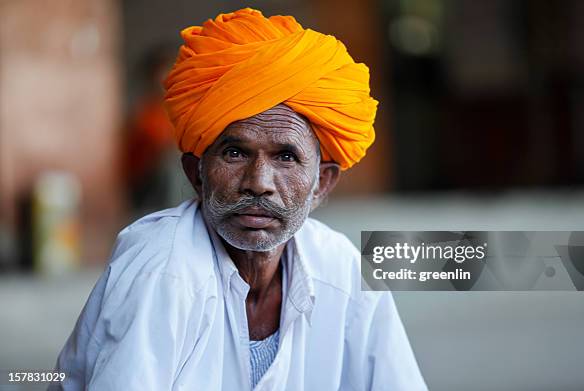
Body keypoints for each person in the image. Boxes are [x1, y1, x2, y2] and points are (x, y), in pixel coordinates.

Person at [51, 8, 428, 391]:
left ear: (322, 184)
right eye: (235, 153)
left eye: (286, 156)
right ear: (195, 173)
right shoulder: (163, 272)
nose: (259, 183)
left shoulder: (340, 265)